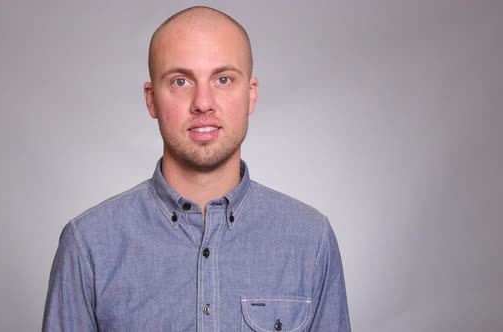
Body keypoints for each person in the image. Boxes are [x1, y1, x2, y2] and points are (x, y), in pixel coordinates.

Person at [43, 6, 350, 331]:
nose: (203, 102)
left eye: (223, 79)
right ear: (151, 100)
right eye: (180, 81)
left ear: (251, 95)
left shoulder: (310, 240)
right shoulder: (88, 245)